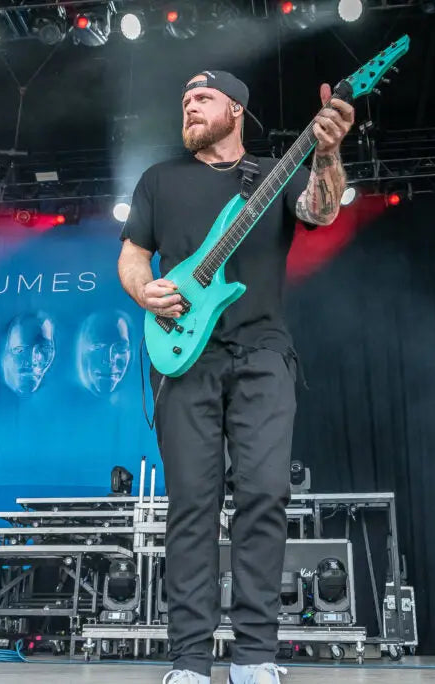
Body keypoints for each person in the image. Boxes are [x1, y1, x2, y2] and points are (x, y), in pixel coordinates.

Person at [117, 71, 352, 684]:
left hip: (265, 353)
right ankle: (190, 662)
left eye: (203, 98)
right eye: (185, 98)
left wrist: (327, 154)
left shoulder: (275, 173)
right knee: (191, 505)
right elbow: (133, 255)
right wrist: (146, 291)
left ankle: (254, 656)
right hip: (184, 355)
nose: (189, 105)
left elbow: (321, 212)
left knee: (264, 496)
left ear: (236, 110)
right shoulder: (159, 180)